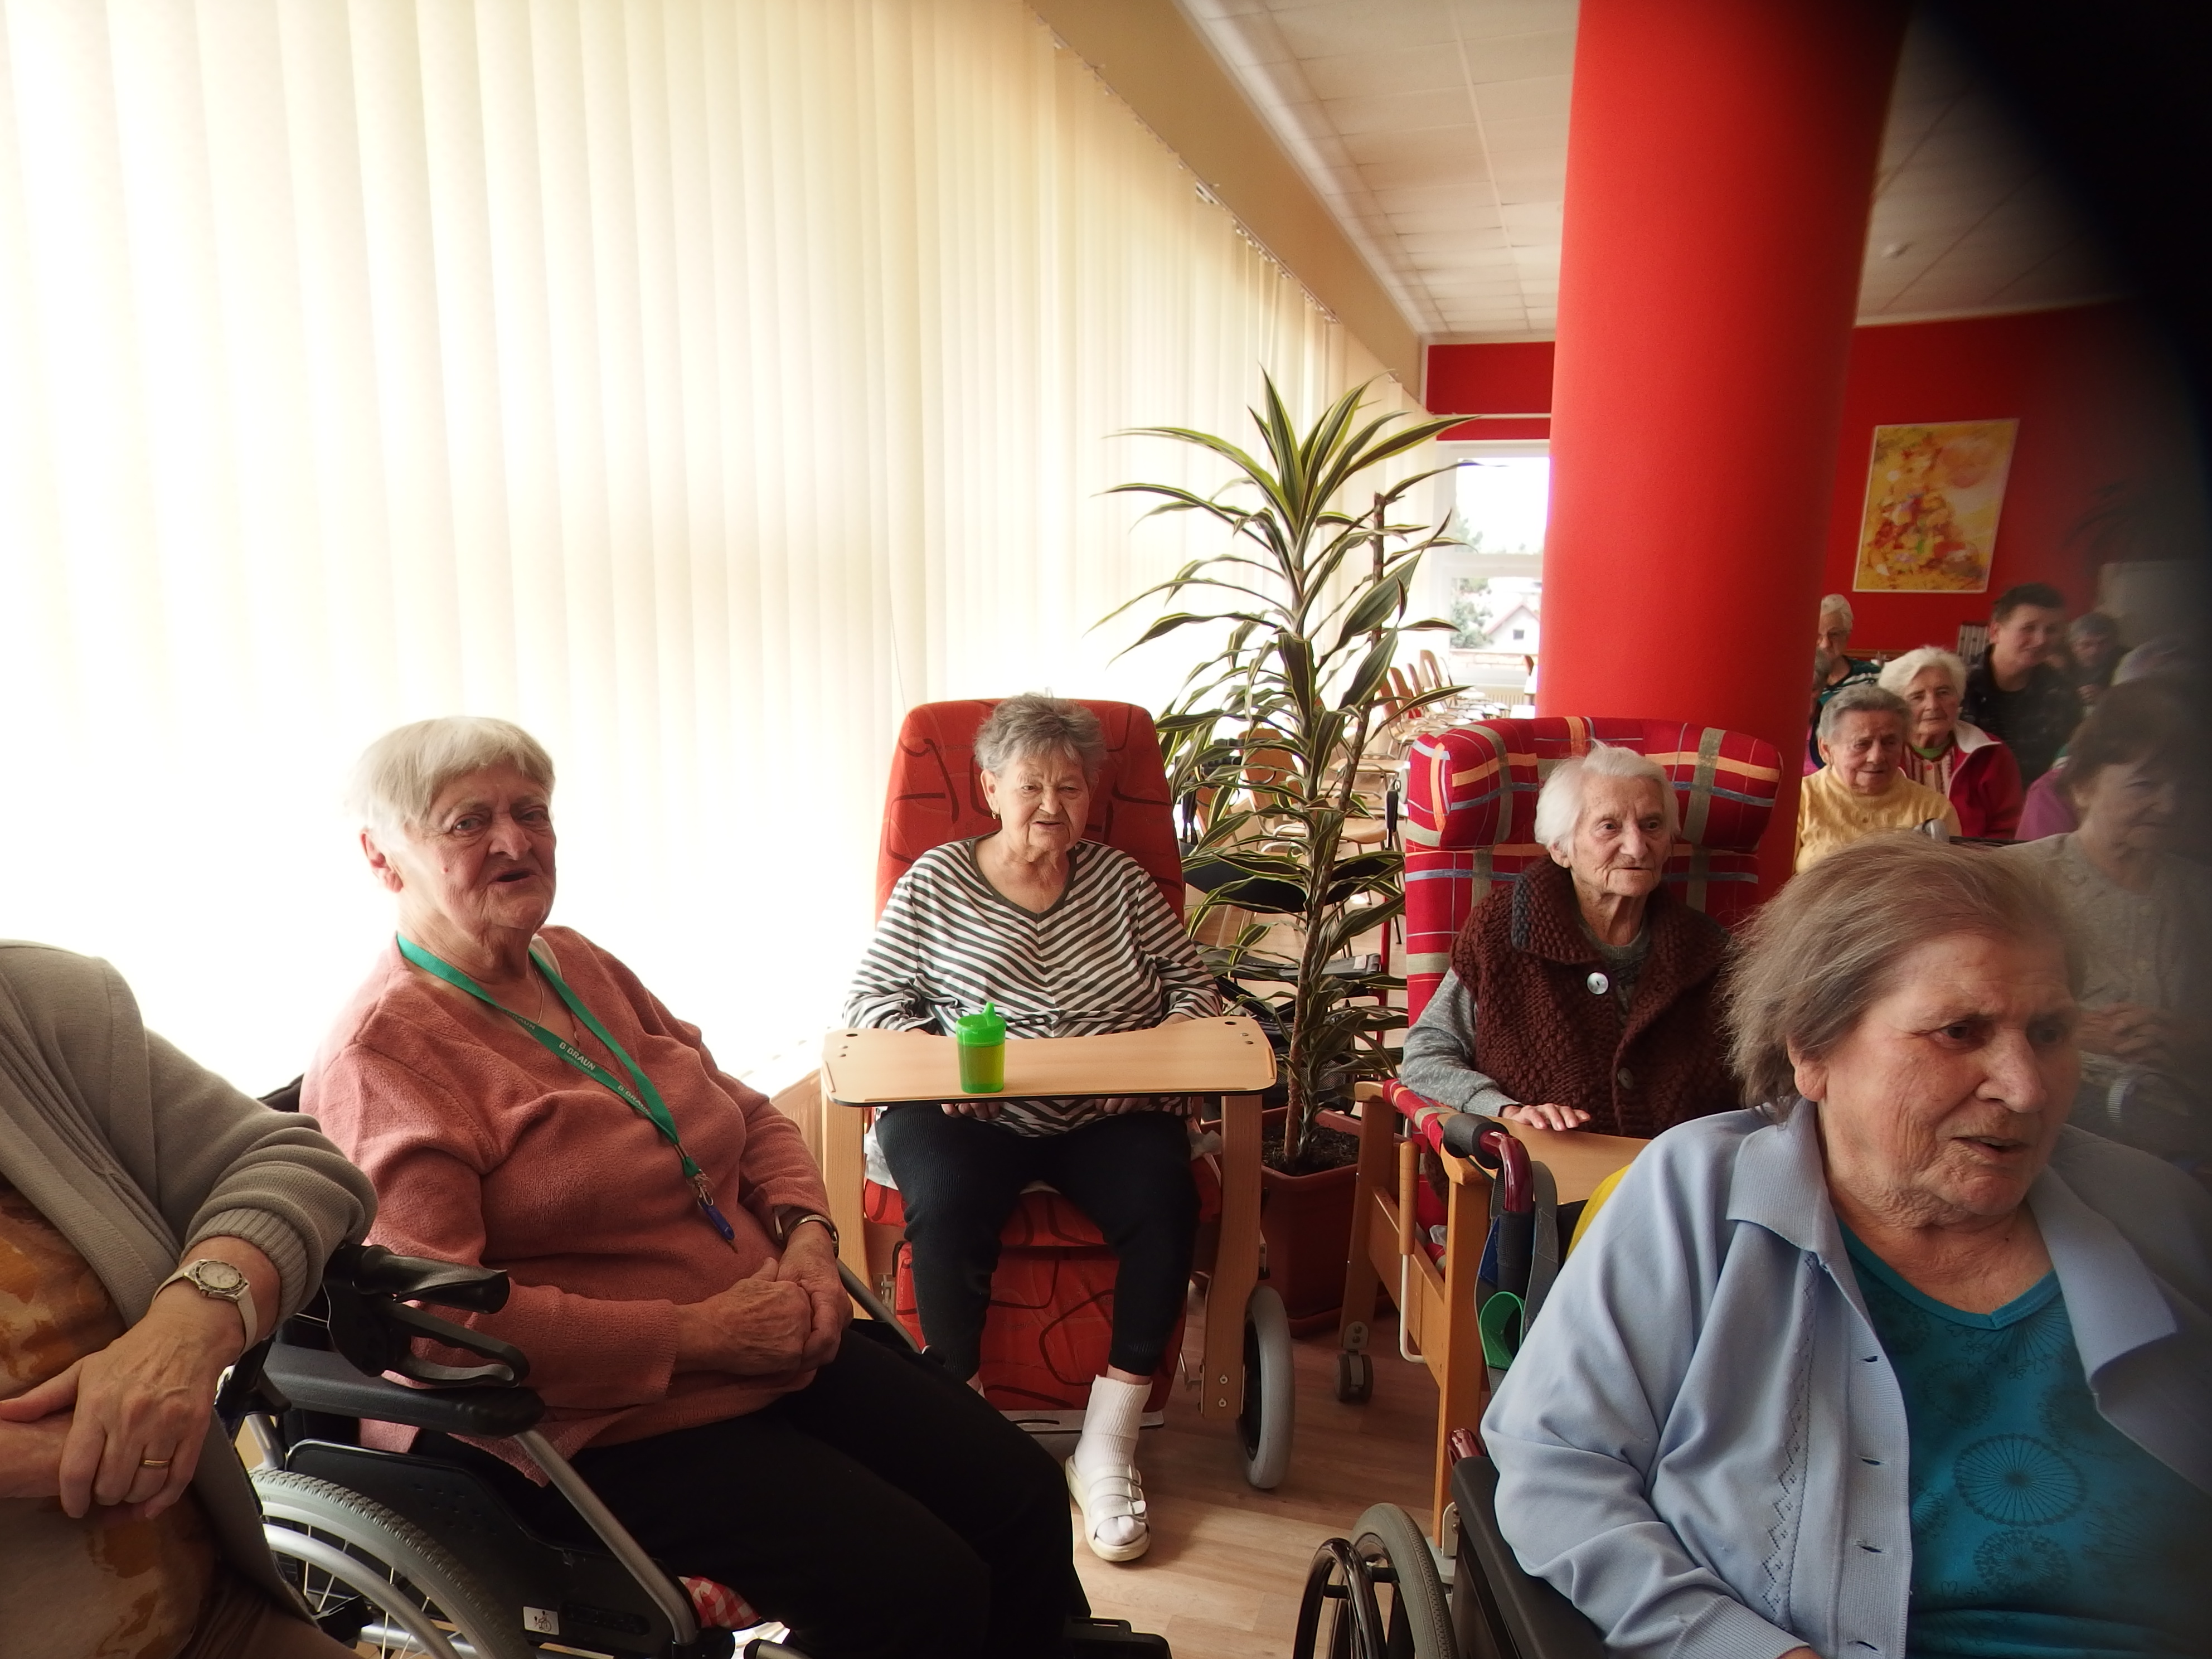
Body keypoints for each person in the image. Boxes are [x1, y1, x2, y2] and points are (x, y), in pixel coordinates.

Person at [306, 716, 1079, 1659]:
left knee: (1022, 1493)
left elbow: (748, 1115)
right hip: (592, 1422)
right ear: (382, 858)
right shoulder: (385, 1057)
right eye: (468, 823)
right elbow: (439, 1322)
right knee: (920, 1586)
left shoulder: (574, 963)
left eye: (531, 813)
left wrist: (809, 1243)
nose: (515, 842)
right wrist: (702, 1333)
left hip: (769, 1340)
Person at [1483, 836, 2211, 1659]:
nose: (2026, 1088)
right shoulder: (1696, 1196)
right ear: (1811, 1050)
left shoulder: (2159, 1214)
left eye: (2048, 1032)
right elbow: (1557, 1465)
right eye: (1958, 1032)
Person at [843, 694, 1217, 1565]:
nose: (1053, 805)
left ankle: (1109, 1443)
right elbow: (869, 1005)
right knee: (947, 1203)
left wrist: (1149, 1066)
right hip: (968, 1108)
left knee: (1165, 1202)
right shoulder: (937, 881)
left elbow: (1195, 993)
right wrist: (942, 1066)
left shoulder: (1120, 883)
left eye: (1071, 788)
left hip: (1105, 1111)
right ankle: (966, 1431)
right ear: (989, 789)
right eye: (1031, 786)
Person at [0, 942, 374, 1659]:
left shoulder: (29, 1004)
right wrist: (66, 1456)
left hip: (215, 1625)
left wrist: (188, 1327)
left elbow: (294, 1166)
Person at [1399, 743, 1732, 1137]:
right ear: (1560, 848)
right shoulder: (1502, 931)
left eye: (1652, 825)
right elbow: (1427, 1055)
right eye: (1609, 827)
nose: (1637, 847)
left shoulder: (1708, 951)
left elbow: (1754, 1076)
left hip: (1675, 1169)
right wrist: (1504, 1110)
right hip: (1536, 1165)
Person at [2002, 681, 2210, 1158]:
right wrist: (2060, 1030)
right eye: (2145, 785)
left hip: (2185, 1121)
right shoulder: (2018, 880)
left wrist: (2193, 1039)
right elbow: (1958, 1002)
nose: (2170, 805)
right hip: (2058, 1110)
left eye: (2186, 788)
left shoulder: (2200, 892)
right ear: (2083, 786)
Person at [1795, 684, 1960, 871]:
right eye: (1862, 744)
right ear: (1826, 750)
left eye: (1890, 743)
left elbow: (1949, 882)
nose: (1877, 757)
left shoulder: (1933, 809)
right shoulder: (1800, 799)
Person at [1876, 645, 2023, 838]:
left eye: (1943, 692)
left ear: (1959, 697)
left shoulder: (1992, 753)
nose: (1933, 705)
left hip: (1974, 856)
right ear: (1897, 708)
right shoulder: (1877, 755)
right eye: (1917, 697)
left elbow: (2007, 826)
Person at [1961, 581, 2082, 784]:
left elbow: (2071, 761)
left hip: (2034, 799)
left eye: (2051, 630)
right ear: (1995, 632)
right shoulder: (1957, 686)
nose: (2041, 640)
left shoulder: (2062, 692)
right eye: (2028, 628)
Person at [1807, 592, 1881, 769]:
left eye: (1834, 634)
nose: (1825, 644)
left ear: (1847, 635)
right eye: (1817, 635)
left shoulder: (1873, 677)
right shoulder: (1797, 680)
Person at [2069, 609, 2124, 709]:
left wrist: (2107, 697)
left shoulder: (2128, 661)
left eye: (2103, 643)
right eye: (2086, 644)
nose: (2095, 651)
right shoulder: (2060, 663)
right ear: (2073, 646)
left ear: (2114, 643)